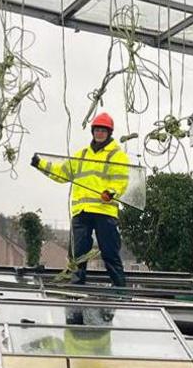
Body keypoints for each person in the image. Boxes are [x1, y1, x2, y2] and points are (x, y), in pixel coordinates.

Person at [31, 112, 130, 287]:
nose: (99, 133)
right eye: (97, 130)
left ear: (109, 133)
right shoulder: (81, 154)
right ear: (93, 132)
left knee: (109, 252)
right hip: (81, 211)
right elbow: (61, 173)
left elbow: (121, 181)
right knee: (78, 254)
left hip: (104, 210)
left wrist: (111, 192)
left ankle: (121, 290)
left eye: (103, 130)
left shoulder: (117, 155)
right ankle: (75, 289)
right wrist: (40, 165)